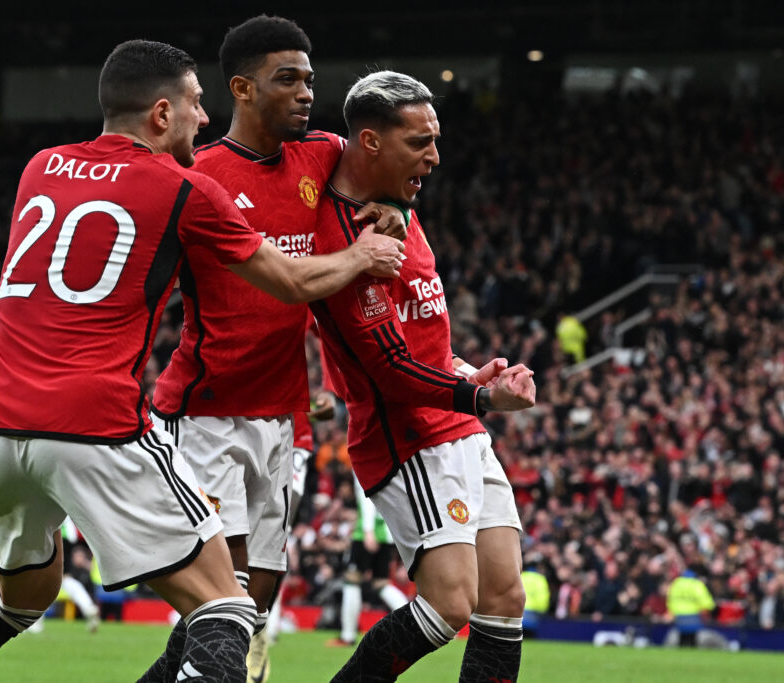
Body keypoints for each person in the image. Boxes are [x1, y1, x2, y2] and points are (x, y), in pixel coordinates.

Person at [0, 39, 403, 683]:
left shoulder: (39, 166)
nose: (204, 118)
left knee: (18, 598)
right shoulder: (183, 187)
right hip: (93, 423)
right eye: (196, 105)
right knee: (227, 606)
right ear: (162, 115)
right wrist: (363, 255)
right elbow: (292, 281)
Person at [149, 16, 407, 683]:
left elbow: (390, 171)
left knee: (254, 597)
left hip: (283, 416)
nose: (304, 93)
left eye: (309, 80)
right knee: (225, 595)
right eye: (285, 79)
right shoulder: (198, 175)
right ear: (241, 87)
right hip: (208, 410)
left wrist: (393, 209)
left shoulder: (321, 155)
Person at [310, 71, 537, 682]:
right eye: (419, 143)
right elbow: (390, 369)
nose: (435, 157)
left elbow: (426, 337)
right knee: (449, 603)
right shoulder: (345, 240)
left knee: (505, 598)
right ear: (371, 142)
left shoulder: (399, 210)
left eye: (435, 139)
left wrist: (467, 369)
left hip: (455, 420)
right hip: (408, 434)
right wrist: (482, 395)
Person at [327, 474, 408, 647]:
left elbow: (367, 497)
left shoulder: (363, 457)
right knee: (381, 584)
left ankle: (347, 635)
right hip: (386, 532)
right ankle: (411, 626)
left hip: (367, 532)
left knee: (351, 580)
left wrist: (368, 530)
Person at [665, 569, 716, 647]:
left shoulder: (676, 584)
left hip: (679, 616)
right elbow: (707, 603)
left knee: (682, 637)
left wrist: (673, 611)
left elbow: (670, 600)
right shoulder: (696, 584)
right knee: (692, 639)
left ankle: (680, 651)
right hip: (694, 616)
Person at [519, 564, 550, 639]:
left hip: (519, 610)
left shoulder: (521, 576)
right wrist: (543, 610)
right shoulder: (540, 579)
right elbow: (543, 597)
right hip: (533, 613)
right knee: (531, 637)